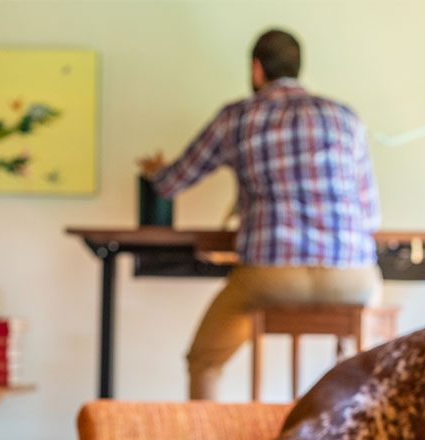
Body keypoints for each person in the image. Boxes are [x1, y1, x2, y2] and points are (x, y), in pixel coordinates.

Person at [140, 28, 381, 400]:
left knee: (204, 360)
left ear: (256, 69)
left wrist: (155, 171)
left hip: (271, 277)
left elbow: (172, 182)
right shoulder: (345, 117)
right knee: (373, 348)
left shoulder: (237, 117)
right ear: (298, 67)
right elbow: (371, 215)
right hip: (352, 279)